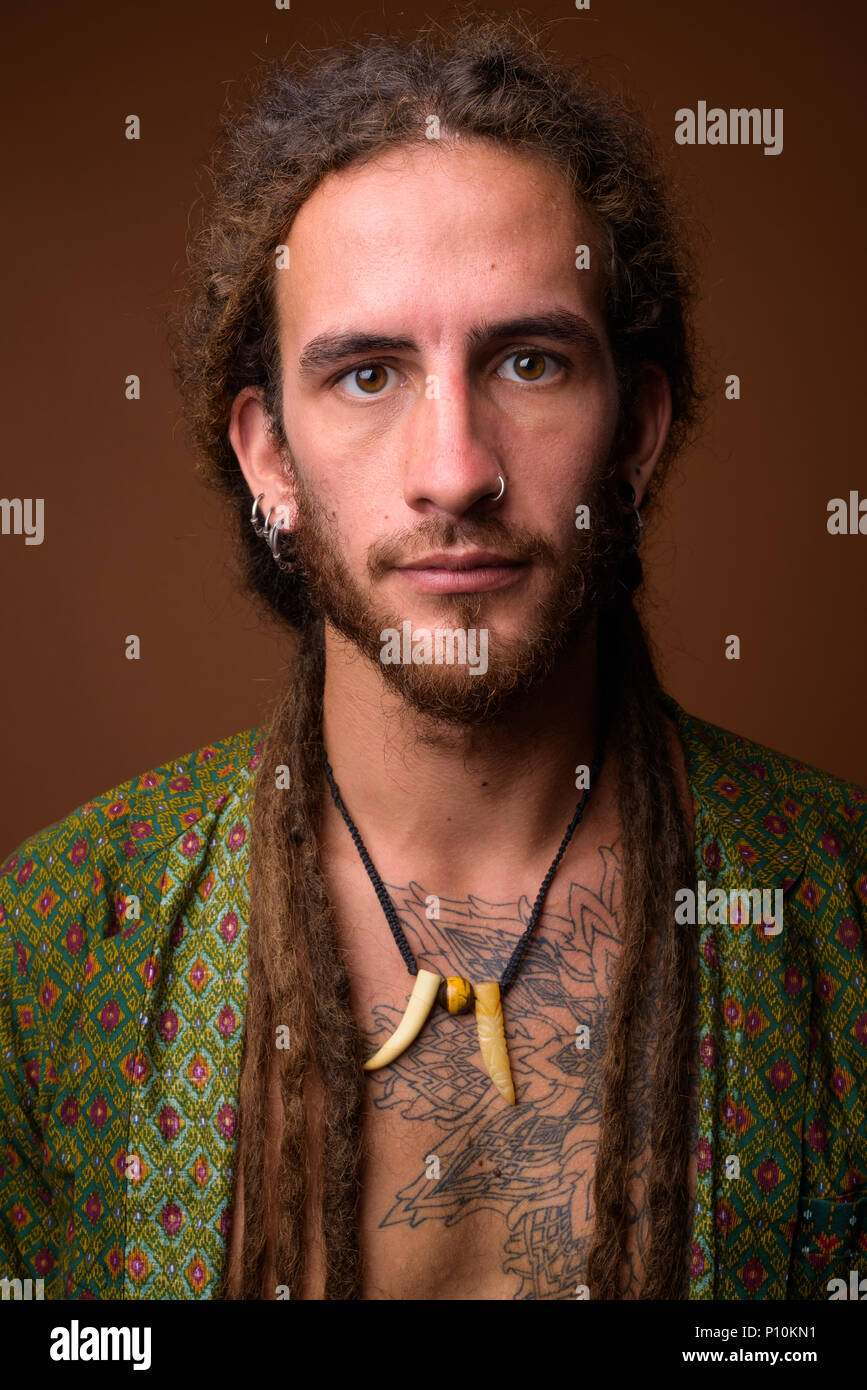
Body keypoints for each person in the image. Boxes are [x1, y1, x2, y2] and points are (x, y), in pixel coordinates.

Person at [2, 13, 865, 1303]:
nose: (455, 468)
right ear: (268, 459)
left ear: (635, 431)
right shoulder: (59, 937)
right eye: (366, 375)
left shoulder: (844, 924)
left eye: (530, 361)